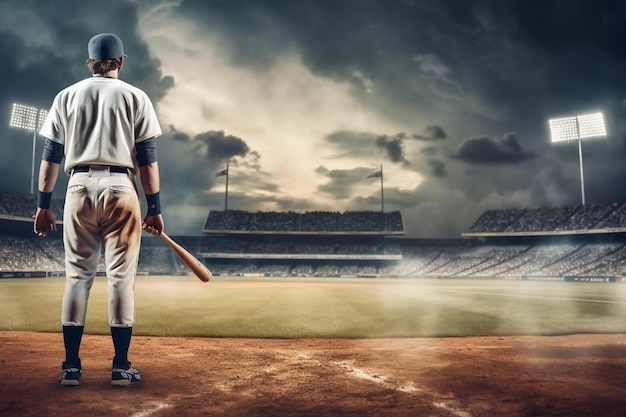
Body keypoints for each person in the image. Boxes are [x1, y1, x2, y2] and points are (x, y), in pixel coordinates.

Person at [34, 33, 164, 387]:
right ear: (121, 62)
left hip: (77, 185)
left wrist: (44, 206)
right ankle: (121, 368)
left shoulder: (66, 96)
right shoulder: (136, 96)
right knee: (121, 278)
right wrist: (154, 207)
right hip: (122, 186)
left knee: (77, 276)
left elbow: (49, 159)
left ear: (89, 63)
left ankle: (71, 368)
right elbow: (148, 161)